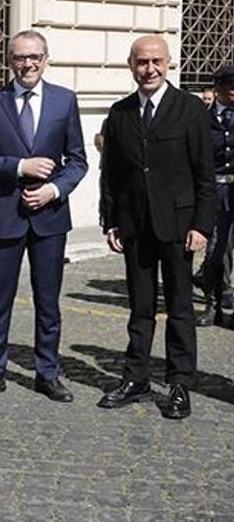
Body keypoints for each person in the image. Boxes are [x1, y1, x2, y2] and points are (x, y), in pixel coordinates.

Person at [0, 30, 88, 404]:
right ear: (9, 61)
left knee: (48, 301)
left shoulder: (64, 100)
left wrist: (54, 189)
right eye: (20, 57)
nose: (27, 64)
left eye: (34, 56)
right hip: (5, 215)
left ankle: (47, 373)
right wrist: (21, 166)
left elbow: (78, 161)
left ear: (45, 59)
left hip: (50, 217)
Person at [97, 35, 214, 420]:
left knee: (180, 308)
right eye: (142, 62)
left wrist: (202, 225)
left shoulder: (190, 109)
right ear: (131, 65)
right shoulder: (120, 112)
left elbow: (204, 174)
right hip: (135, 226)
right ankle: (136, 379)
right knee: (140, 308)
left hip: (179, 226)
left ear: (168, 64)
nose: (149, 69)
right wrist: (112, 220)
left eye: (156, 62)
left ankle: (179, 384)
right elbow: (111, 174)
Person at [195, 65, 234, 328]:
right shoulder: (202, 119)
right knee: (215, 252)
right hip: (215, 194)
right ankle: (212, 305)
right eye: (231, 86)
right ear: (218, 88)